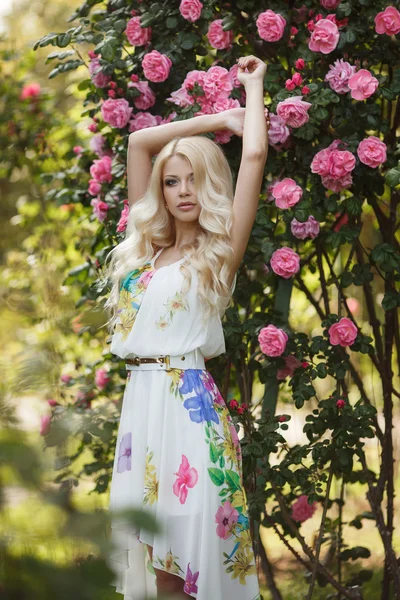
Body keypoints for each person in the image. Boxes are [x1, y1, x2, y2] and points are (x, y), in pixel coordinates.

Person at [105, 55, 269, 600]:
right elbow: (139, 144)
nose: (182, 190)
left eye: (194, 179)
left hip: (187, 404)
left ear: (209, 186)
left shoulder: (218, 252)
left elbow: (256, 155)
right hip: (140, 404)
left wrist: (251, 91)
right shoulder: (146, 250)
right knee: (152, 561)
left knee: (186, 559)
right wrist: (214, 122)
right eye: (172, 181)